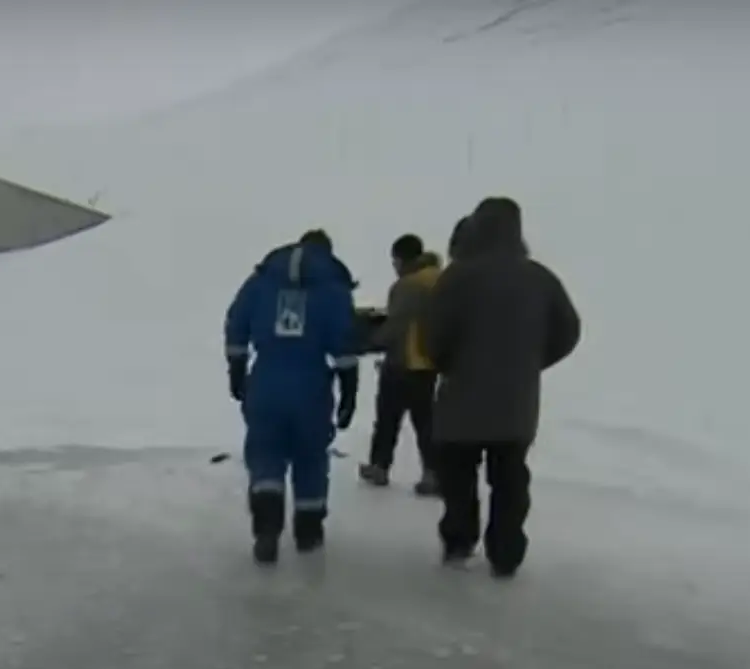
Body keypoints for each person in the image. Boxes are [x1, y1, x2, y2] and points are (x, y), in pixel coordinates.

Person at [419, 197, 581, 578]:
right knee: (509, 478)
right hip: (516, 401)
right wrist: (531, 362)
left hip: (462, 398)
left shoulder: (458, 276)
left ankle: (459, 542)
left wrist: (447, 362)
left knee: (459, 475)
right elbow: (569, 331)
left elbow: (431, 336)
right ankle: (506, 552)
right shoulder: (540, 278)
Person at [225, 229, 360, 565]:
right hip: (311, 386)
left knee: (266, 454)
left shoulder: (259, 283)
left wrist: (237, 371)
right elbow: (345, 344)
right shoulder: (332, 290)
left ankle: (267, 530)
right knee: (310, 457)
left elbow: (236, 325)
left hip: (266, 382)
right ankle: (308, 532)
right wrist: (349, 392)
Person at [359, 234, 444, 496]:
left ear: (402, 259)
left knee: (387, 418)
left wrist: (370, 340)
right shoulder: (440, 280)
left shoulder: (407, 286)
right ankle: (434, 473)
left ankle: (379, 467)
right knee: (426, 421)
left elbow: (397, 326)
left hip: (403, 360)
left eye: (395, 260)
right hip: (430, 361)